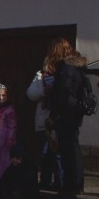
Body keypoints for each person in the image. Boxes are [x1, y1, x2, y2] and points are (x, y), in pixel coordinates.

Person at [49, 39, 89, 198]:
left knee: (67, 152)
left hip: (66, 115)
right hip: (75, 114)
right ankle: (77, 184)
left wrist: (54, 116)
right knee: (74, 150)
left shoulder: (65, 69)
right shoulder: (77, 67)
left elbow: (62, 95)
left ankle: (70, 186)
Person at [26, 42, 65, 191]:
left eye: (48, 66)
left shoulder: (58, 77)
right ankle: (45, 179)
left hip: (55, 120)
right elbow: (31, 94)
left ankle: (59, 181)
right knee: (45, 153)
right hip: (43, 121)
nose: (46, 68)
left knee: (56, 153)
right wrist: (44, 91)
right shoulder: (40, 77)